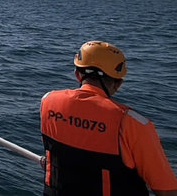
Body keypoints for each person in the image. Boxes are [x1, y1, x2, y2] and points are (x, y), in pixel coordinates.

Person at [40, 40, 177, 196]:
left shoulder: (48, 102)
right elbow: (167, 191)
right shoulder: (131, 123)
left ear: (77, 74)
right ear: (118, 83)